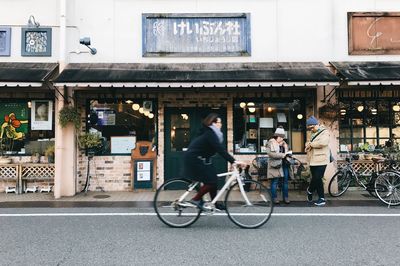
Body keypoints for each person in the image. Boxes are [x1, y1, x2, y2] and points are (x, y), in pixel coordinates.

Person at [183, 113, 245, 211]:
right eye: (219, 122)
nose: (221, 125)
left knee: (214, 180)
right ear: (213, 123)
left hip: (203, 159)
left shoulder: (211, 133)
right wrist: (233, 161)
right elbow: (220, 149)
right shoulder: (210, 134)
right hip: (195, 159)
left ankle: (214, 203)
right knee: (211, 182)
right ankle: (195, 199)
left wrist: (232, 161)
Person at [305, 116, 330, 206]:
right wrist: (307, 145)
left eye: (312, 127)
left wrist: (311, 144)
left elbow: (323, 143)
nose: (311, 129)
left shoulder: (325, 132)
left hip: (322, 159)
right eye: (309, 128)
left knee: (317, 177)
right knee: (317, 179)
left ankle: (310, 190)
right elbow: (307, 142)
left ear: (317, 124)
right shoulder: (311, 133)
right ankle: (321, 198)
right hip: (312, 159)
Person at [266, 126, 293, 204]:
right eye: (280, 137)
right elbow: (270, 154)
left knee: (285, 181)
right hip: (275, 164)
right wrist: (282, 155)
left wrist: (288, 154)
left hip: (285, 164)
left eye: (282, 137)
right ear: (276, 136)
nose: (282, 139)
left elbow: (287, 152)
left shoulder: (284, 144)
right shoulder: (270, 142)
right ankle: (274, 198)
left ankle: (286, 197)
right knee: (275, 181)